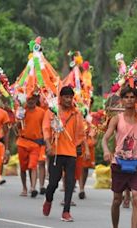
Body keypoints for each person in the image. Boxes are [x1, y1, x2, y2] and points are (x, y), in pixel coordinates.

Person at [102, 86, 137, 228]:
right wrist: (106, 151)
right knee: (117, 200)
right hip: (119, 163)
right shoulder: (116, 119)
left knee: (136, 198)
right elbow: (105, 139)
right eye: (126, 97)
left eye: (132, 97)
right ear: (122, 100)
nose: (129, 100)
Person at [42, 86, 86, 222]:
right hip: (55, 152)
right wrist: (49, 145)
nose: (68, 100)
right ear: (60, 98)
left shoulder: (76, 113)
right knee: (53, 182)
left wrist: (79, 146)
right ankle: (48, 198)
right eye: (66, 97)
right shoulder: (52, 112)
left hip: (71, 152)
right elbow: (46, 129)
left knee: (70, 182)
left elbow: (80, 133)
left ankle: (66, 211)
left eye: (70, 97)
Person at [16, 94, 45, 198]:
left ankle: (33, 188)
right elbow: (17, 127)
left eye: (33, 98)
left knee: (33, 166)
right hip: (22, 142)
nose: (31, 101)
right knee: (23, 168)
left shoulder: (41, 112)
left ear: (37, 99)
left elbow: (45, 127)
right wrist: (19, 119)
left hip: (35, 143)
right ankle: (24, 188)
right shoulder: (22, 111)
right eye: (28, 98)